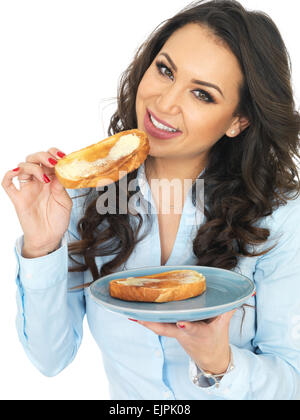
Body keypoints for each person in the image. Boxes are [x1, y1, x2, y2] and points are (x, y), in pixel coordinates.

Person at [2, 0, 300, 400]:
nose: (163, 103)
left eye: (201, 94)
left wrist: (220, 363)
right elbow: (50, 359)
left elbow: (292, 380)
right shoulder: (81, 198)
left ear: (238, 121)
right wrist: (42, 245)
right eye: (165, 70)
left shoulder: (280, 218)